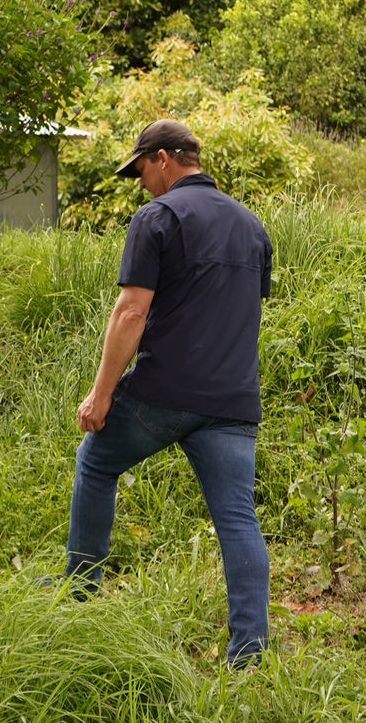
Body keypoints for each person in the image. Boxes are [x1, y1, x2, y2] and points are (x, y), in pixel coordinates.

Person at [64, 117, 271, 665]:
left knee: (96, 462)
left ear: (162, 159)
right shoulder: (251, 226)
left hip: (163, 394)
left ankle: (78, 596)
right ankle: (249, 653)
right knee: (237, 519)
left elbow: (131, 312)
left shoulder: (156, 218)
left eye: (140, 170)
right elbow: (244, 311)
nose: (140, 183)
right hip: (232, 400)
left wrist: (101, 394)